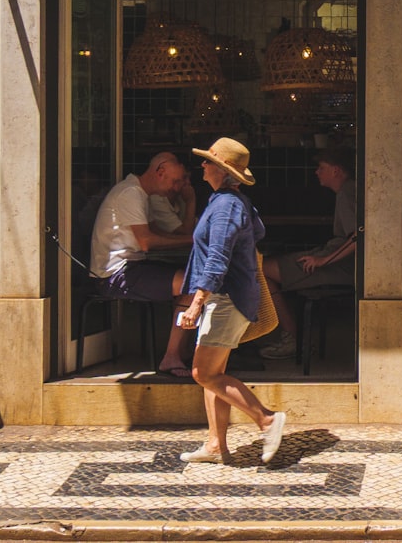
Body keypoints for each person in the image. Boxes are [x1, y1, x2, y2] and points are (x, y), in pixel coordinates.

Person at [176, 137, 287, 465]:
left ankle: (267, 420)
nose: (203, 165)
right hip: (224, 297)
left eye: (209, 161)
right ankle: (215, 445)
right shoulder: (228, 201)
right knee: (215, 373)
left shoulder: (225, 206)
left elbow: (218, 258)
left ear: (223, 171)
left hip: (225, 298)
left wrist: (197, 302)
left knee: (202, 372)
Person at [89, 152, 196, 376]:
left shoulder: (141, 194)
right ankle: (172, 357)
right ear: (160, 172)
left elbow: (156, 232)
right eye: (175, 181)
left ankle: (183, 351)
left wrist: (190, 239)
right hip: (115, 274)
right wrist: (193, 239)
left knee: (191, 278)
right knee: (192, 285)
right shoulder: (130, 194)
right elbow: (146, 241)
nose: (177, 187)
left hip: (132, 267)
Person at [259, 146, 357, 360]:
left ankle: (293, 338)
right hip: (332, 258)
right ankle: (291, 335)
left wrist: (323, 260)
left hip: (339, 266)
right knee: (261, 268)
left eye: (322, 167)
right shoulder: (347, 191)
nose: (317, 172)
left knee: (260, 270)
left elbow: (357, 237)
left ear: (336, 171)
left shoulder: (347, 192)